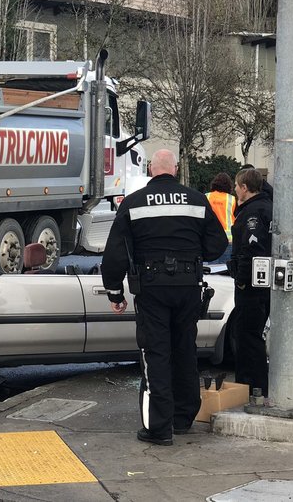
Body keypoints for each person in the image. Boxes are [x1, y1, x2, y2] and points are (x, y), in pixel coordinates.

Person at [102, 149, 228, 446]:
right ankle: (183, 418)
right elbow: (217, 244)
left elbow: (115, 254)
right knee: (185, 349)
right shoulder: (197, 200)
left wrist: (115, 292)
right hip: (187, 287)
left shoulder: (133, 203)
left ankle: (158, 428)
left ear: (150, 169)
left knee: (155, 353)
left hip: (152, 288)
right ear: (175, 168)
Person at [228, 168, 273, 397]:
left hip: (252, 290)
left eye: (237, 186)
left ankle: (252, 390)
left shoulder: (253, 213)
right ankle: (254, 388)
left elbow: (252, 251)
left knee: (247, 339)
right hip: (262, 288)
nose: (235, 190)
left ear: (245, 188)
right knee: (250, 336)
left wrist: (243, 281)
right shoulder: (266, 206)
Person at [206, 172, 236, 264]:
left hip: (210, 240)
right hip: (228, 241)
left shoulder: (206, 197)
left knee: (211, 274)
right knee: (226, 273)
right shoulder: (232, 199)